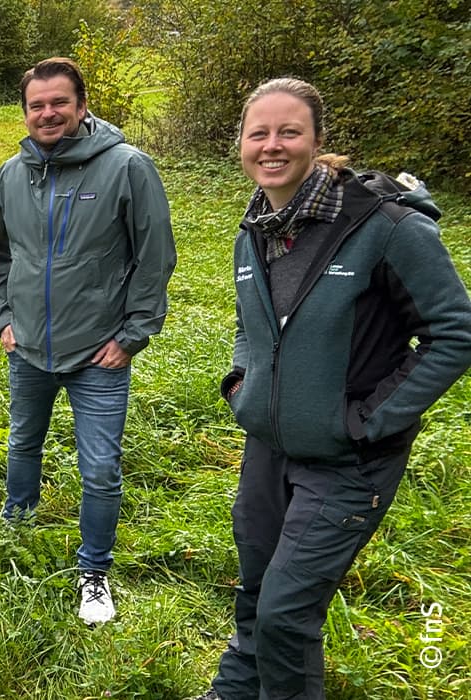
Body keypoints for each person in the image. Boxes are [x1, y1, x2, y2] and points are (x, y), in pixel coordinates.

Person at [195, 78, 471, 700]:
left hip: (349, 462)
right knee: (257, 592)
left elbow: (455, 333)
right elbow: (252, 323)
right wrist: (243, 383)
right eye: (258, 133)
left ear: (318, 142)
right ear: (241, 143)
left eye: (288, 132)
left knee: (287, 614)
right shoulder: (257, 228)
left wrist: (368, 420)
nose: (272, 145)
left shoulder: (386, 228)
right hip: (269, 448)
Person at [0, 57, 176, 625]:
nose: (48, 114)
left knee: (101, 468)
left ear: (82, 106)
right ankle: (17, 521)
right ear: (25, 112)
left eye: (59, 102)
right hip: (29, 348)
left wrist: (133, 335)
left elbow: (154, 258)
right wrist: (3, 316)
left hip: (98, 356)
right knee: (22, 443)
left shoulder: (128, 167)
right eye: (37, 105)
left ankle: (94, 574)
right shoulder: (12, 174)